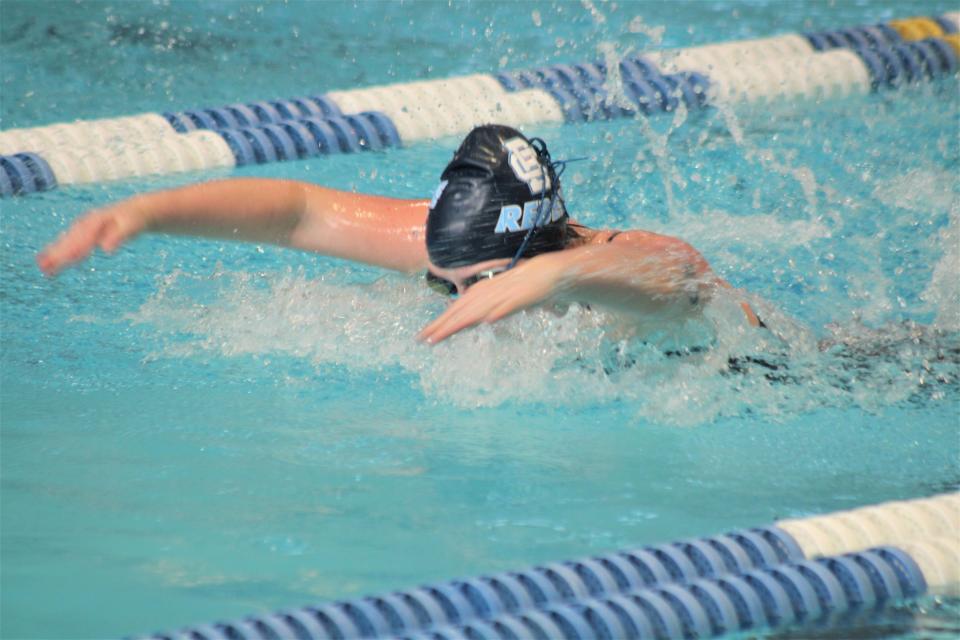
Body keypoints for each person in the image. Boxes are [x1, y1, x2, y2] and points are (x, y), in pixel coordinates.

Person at [37, 124, 759, 344]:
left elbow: (683, 282)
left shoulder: (615, 265)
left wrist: (553, 278)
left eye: (474, 281)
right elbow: (299, 212)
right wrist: (148, 212)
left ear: (530, 252)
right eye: (445, 274)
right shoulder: (463, 246)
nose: (456, 291)